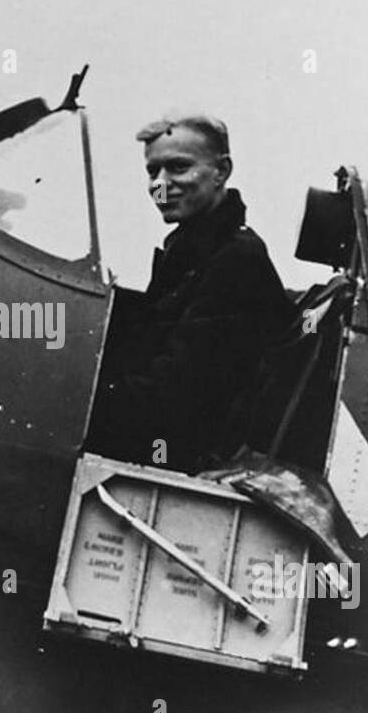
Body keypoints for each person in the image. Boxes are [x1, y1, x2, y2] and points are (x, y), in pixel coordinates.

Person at [88, 113, 297, 473]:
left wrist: (81, 403)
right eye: (152, 172)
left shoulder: (237, 259)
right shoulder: (191, 252)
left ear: (221, 171)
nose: (161, 184)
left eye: (178, 168)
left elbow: (179, 390)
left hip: (180, 455)